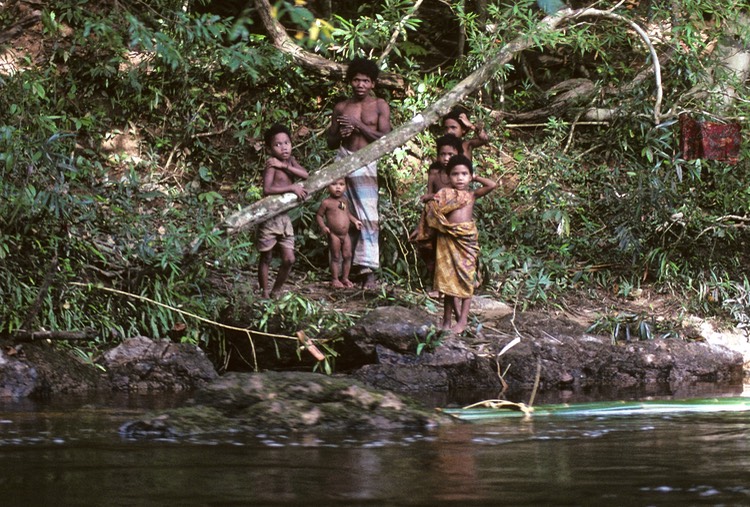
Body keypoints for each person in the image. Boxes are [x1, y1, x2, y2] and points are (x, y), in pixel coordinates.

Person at [326, 56, 392, 289]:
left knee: (368, 216)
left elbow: (386, 139)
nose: (360, 85)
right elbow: (330, 142)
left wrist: (360, 127)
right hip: (343, 161)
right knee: (342, 215)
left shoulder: (380, 105)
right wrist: (342, 134)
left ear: (373, 83)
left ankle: (368, 271)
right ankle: (345, 270)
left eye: (365, 81)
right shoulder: (342, 107)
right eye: (356, 80)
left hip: (366, 163)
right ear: (350, 82)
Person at [425, 154, 496, 333]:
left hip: (466, 240)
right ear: (449, 177)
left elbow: (492, 185)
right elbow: (432, 212)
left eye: (464, 174)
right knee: (447, 280)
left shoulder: (471, 195)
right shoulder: (443, 194)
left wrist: (476, 176)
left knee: (465, 279)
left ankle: (462, 321)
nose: (460, 178)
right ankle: (447, 320)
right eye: (455, 174)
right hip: (447, 238)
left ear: (470, 176)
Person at [257, 124, 309, 298]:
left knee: (289, 259)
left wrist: (285, 166)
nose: (283, 147)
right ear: (270, 149)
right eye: (277, 144)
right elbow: (267, 189)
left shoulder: (290, 161)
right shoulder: (271, 165)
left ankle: (276, 290)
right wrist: (291, 188)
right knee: (267, 257)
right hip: (270, 215)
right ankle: (265, 293)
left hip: (284, 218)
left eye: (286, 142)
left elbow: (305, 175)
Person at [411, 134, 464, 289]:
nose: (446, 158)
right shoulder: (434, 173)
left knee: (450, 253)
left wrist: (434, 196)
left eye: (450, 154)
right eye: (443, 154)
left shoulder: (459, 174)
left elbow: (460, 198)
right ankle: (435, 285)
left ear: (458, 155)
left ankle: (452, 285)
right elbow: (428, 202)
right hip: (434, 220)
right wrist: (420, 227)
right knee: (431, 250)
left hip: (453, 221)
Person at [316, 178, 362, 288]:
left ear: (345, 187)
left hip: (345, 235)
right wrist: (323, 226)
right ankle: (335, 279)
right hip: (334, 235)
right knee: (335, 257)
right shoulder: (326, 202)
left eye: (341, 184)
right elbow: (319, 215)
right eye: (334, 184)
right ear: (328, 187)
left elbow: (347, 213)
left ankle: (345, 278)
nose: (338, 187)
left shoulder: (344, 200)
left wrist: (355, 221)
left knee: (348, 256)